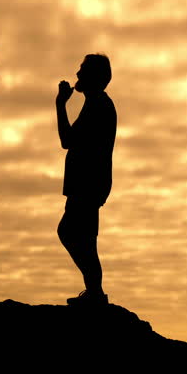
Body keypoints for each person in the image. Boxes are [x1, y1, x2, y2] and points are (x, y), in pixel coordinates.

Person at [56, 54, 117, 306]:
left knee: (71, 233)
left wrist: (60, 104)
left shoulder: (98, 104)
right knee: (82, 237)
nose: (77, 75)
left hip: (87, 183)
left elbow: (67, 140)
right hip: (89, 182)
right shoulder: (96, 103)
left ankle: (95, 293)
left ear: (94, 77)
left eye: (82, 71)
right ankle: (94, 292)